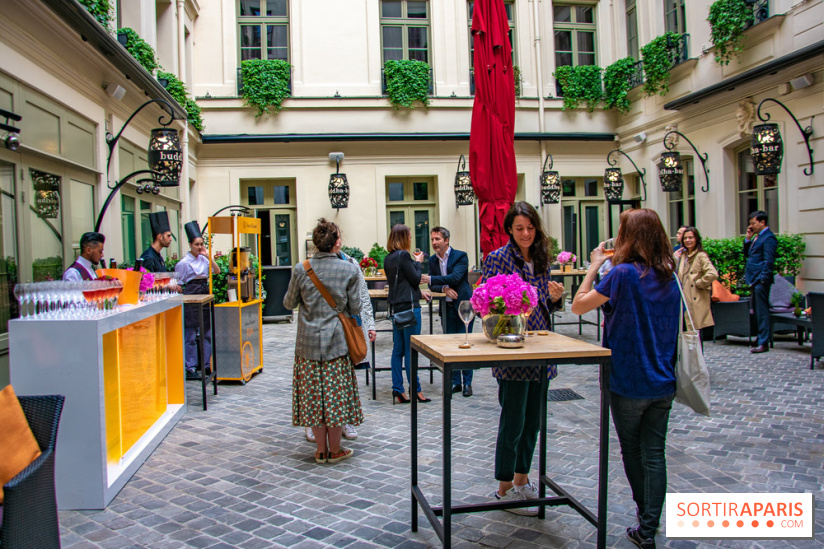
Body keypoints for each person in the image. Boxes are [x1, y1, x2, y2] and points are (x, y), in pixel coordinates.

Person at [571, 208, 681, 549]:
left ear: (629, 237)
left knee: (632, 452)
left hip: (628, 380)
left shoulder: (621, 275)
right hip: (663, 380)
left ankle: (645, 524)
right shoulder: (669, 274)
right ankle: (648, 524)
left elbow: (578, 306)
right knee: (655, 454)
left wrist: (592, 266)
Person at [483, 201, 564, 516]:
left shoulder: (542, 259)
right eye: (520, 228)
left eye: (530, 228)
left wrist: (554, 299)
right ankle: (503, 488)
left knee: (534, 422)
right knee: (513, 420)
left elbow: (545, 304)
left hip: (542, 348)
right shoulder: (498, 259)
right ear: (509, 230)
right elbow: (488, 304)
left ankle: (521, 479)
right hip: (512, 348)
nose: (526, 233)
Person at [284, 218, 363, 464]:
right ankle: (336, 449)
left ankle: (320, 450)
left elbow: (288, 303)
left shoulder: (301, 268)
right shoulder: (349, 270)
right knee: (335, 395)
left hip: (307, 344)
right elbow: (356, 307)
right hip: (337, 343)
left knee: (313, 397)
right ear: (335, 242)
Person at [305, 239, 375, 443]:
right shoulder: (311, 265)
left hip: (345, 327)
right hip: (318, 331)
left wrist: (369, 324)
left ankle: (343, 420)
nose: (337, 243)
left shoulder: (351, 263)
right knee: (317, 379)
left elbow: (362, 295)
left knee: (344, 379)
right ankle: (313, 422)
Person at [420, 226, 475, 397]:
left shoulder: (461, 256)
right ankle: (455, 382)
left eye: (437, 239)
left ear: (446, 240)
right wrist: (443, 288)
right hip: (447, 307)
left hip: (464, 305)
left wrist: (433, 279)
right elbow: (432, 286)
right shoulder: (432, 261)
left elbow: (456, 277)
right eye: (432, 240)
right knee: (450, 345)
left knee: (465, 343)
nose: (434, 243)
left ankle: (467, 383)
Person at [384, 224, 431, 404]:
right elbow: (416, 278)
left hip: (397, 309)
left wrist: (419, 293)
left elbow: (402, 284)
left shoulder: (389, 258)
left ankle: (398, 389)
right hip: (410, 310)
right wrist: (418, 263)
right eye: (410, 237)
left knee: (398, 350)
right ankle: (416, 390)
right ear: (404, 238)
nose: (411, 240)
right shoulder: (403, 255)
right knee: (412, 351)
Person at [175, 221, 221, 380]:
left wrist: (209, 256)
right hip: (191, 295)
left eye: (201, 244)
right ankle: (191, 366)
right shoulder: (183, 263)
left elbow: (217, 271)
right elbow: (179, 283)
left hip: (204, 293)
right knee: (191, 332)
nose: (199, 247)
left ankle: (206, 364)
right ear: (190, 245)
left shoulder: (204, 259)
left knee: (207, 331)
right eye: (196, 244)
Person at [744, 210, 777, 354]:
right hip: (754, 279)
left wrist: (763, 279)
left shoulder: (769, 238)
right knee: (757, 310)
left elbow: (768, 261)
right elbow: (748, 255)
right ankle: (760, 338)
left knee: (762, 311)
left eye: (753, 223)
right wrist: (748, 240)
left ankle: (764, 342)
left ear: (762, 222)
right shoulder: (757, 237)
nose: (751, 226)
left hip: (760, 280)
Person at [674, 227, 718, 334]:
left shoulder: (701, 256)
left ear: (696, 239)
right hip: (683, 299)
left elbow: (713, 273)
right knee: (685, 333)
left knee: (695, 333)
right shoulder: (682, 255)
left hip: (695, 300)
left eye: (691, 238)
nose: (688, 240)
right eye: (685, 238)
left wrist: (699, 283)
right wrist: (675, 259)